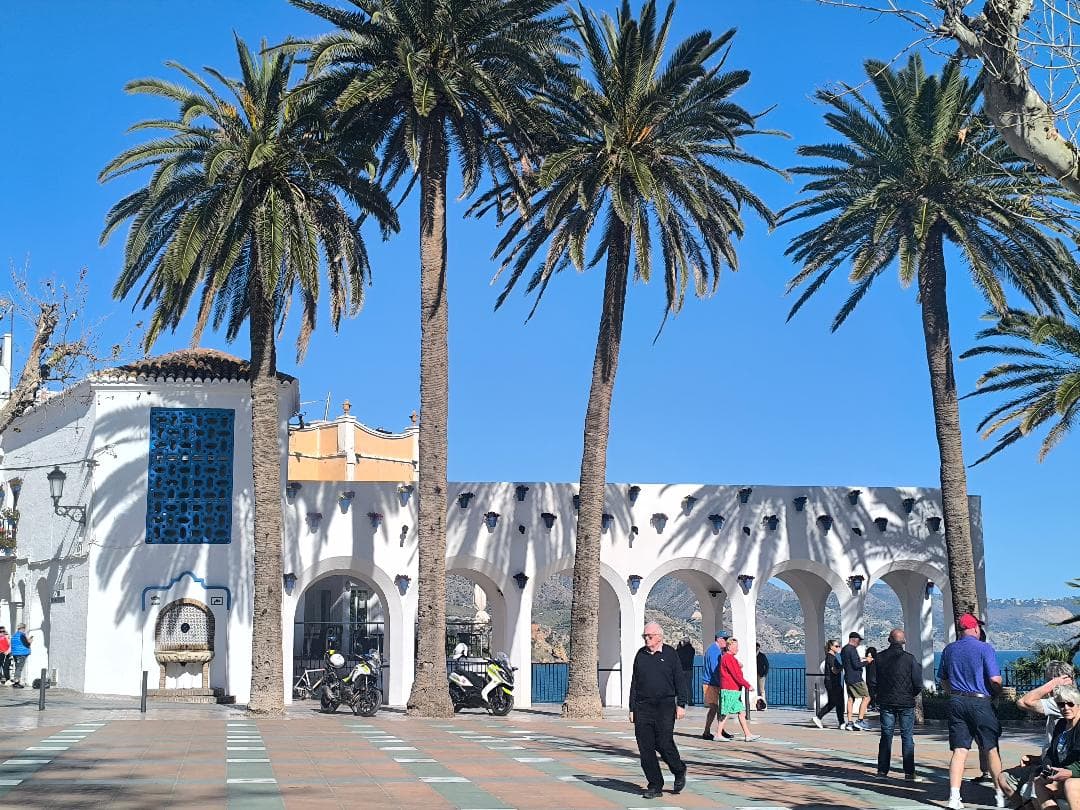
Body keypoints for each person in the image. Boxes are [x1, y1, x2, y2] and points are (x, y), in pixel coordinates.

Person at [938, 613, 1005, 810]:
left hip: (956, 701)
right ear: (975, 628)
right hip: (980, 702)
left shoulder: (949, 649)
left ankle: (954, 797)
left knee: (959, 750)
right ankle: (1000, 795)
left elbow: (943, 678)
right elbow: (995, 679)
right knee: (990, 748)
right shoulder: (985, 648)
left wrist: (952, 692)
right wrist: (997, 694)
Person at [999, 664, 1075, 805]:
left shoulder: (1064, 703)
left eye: (1048, 680)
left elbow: (1023, 702)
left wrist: (1053, 684)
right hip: (1048, 762)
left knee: (1032, 789)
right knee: (1005, 779)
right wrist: (1038, 758)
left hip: (1058, 768)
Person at [629, 622, 688, 800]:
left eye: (650, 636)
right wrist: (632, 708)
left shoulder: (670, 654)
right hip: (643, 707)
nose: (647, 639)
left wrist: (681, 704)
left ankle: (679, 769)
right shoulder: (640, 655)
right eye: (645, 636)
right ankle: (655, 785)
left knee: (663, 743)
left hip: (665, 706)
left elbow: (679, 679)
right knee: (645, 749)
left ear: (659, 637)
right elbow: (634, 683)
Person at [874, 629, 922, 780]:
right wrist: (910, 694)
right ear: (904, 642)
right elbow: (918, 683)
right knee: (907, 736)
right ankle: (909, 772)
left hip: (886, 701)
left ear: (889, 640)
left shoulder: (879, 658)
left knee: (886, 735)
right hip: (906, 702)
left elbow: (872, 681)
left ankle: (882, 771)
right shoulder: (910, 659)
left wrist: (878, 695)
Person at [1030, 684, 1080, 810]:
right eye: (1061, 704)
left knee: (1070, 784)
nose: (1065, 708)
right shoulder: (1061, 725)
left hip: (1074, 775)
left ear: (1078, 704)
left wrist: (1070, 772)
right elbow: (1051, 752)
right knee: (1039, 782)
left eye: (1070, 704)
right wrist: (1047, 765)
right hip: (1063, 772)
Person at [717, 638, 760, 742]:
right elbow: (736, 675)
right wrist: (747, 685)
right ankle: (718, 734)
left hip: (734, 690)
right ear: (729, 647)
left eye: (737, 646)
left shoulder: (729, 658)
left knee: (741, 712)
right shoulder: (728, 658)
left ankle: (748, 734)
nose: (737, 649)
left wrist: (739, 665)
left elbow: (735, 671)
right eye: (735, 647)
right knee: (726, 712)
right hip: (730, 690)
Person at [701, 632, 733, 740]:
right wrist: (722, 683)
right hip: (711, 684)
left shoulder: (715, 650)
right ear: (719, 639)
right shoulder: (714, 651)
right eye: (725, 639)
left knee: (719, 708)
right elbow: (715, 670)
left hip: (714, 683)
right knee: (714, 708)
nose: (726, 641)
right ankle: (706, 731)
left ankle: (720, 730)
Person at [841, 631, 873, 730]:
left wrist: (862, 658)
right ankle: (860, 720)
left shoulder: (844, 649)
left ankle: (849, 722)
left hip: (848, 677)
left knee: (851, 699)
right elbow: (856, 665)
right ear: (854, 640)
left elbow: (851, 662)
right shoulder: (852, 649)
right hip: (856, 678)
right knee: (867, 697)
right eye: (859, 641)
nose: (859, 643)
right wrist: (867, 662)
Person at [813, 638, 846, 729]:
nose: (838, 647)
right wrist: (843, 666)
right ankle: (819, 717)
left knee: (838, 703)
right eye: (836, 646)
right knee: (835, 702)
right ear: (831, 647)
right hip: (832, 683)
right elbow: (834, 671)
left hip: (832, 683)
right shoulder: (831, 658)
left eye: (839, 646)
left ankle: (841, 722)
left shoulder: (831, 657)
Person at [676, 637, 696, 707]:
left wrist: (679, 647)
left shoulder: (681, 650)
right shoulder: (692, 650)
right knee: (689, 686)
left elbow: (677, 655)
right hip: (689, 669)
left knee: (680, 686)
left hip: (681, 670)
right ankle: (690, 700)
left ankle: (681, 700)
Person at [10, 623, 31, 689]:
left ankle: (16, 681)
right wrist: (30, 641)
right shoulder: (21, 635)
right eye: (24, 628)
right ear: (22, 628)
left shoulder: (14, 635)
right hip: (21, 654)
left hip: (16, 654)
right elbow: (26, 644)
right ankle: (16, 682)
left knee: (17, 667)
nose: (24, 630)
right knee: (19, 668)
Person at [756, 643, 770, 710]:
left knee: (761, 690)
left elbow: (767, 665)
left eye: (757, 647)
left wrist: (764, 674)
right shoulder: (753, 655)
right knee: (757, 690)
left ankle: (764, 705)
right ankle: (759, 704)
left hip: (761, 675)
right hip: (755, 674)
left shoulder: (762, 655)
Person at [865, 645, 879, 710]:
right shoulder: (877, 661)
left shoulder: (867, 661)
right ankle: (874, 705)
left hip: (869, 680)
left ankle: (872, 705)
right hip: (876, 679)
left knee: (871, 694)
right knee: (874, 694)